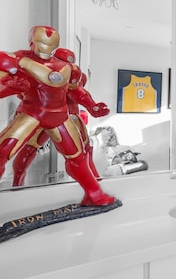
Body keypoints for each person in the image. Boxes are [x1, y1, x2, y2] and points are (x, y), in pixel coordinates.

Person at [0, 26, 116, 206]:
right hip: (31, 114)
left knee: (78, 158)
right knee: (3, 152)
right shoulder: (16, 60)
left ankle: (94, 194)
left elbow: (76, 90)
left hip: (59, 116)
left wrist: (92, 106)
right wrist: (11, 87)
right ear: (32, 41)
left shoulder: (67, 68)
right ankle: (17, 184)